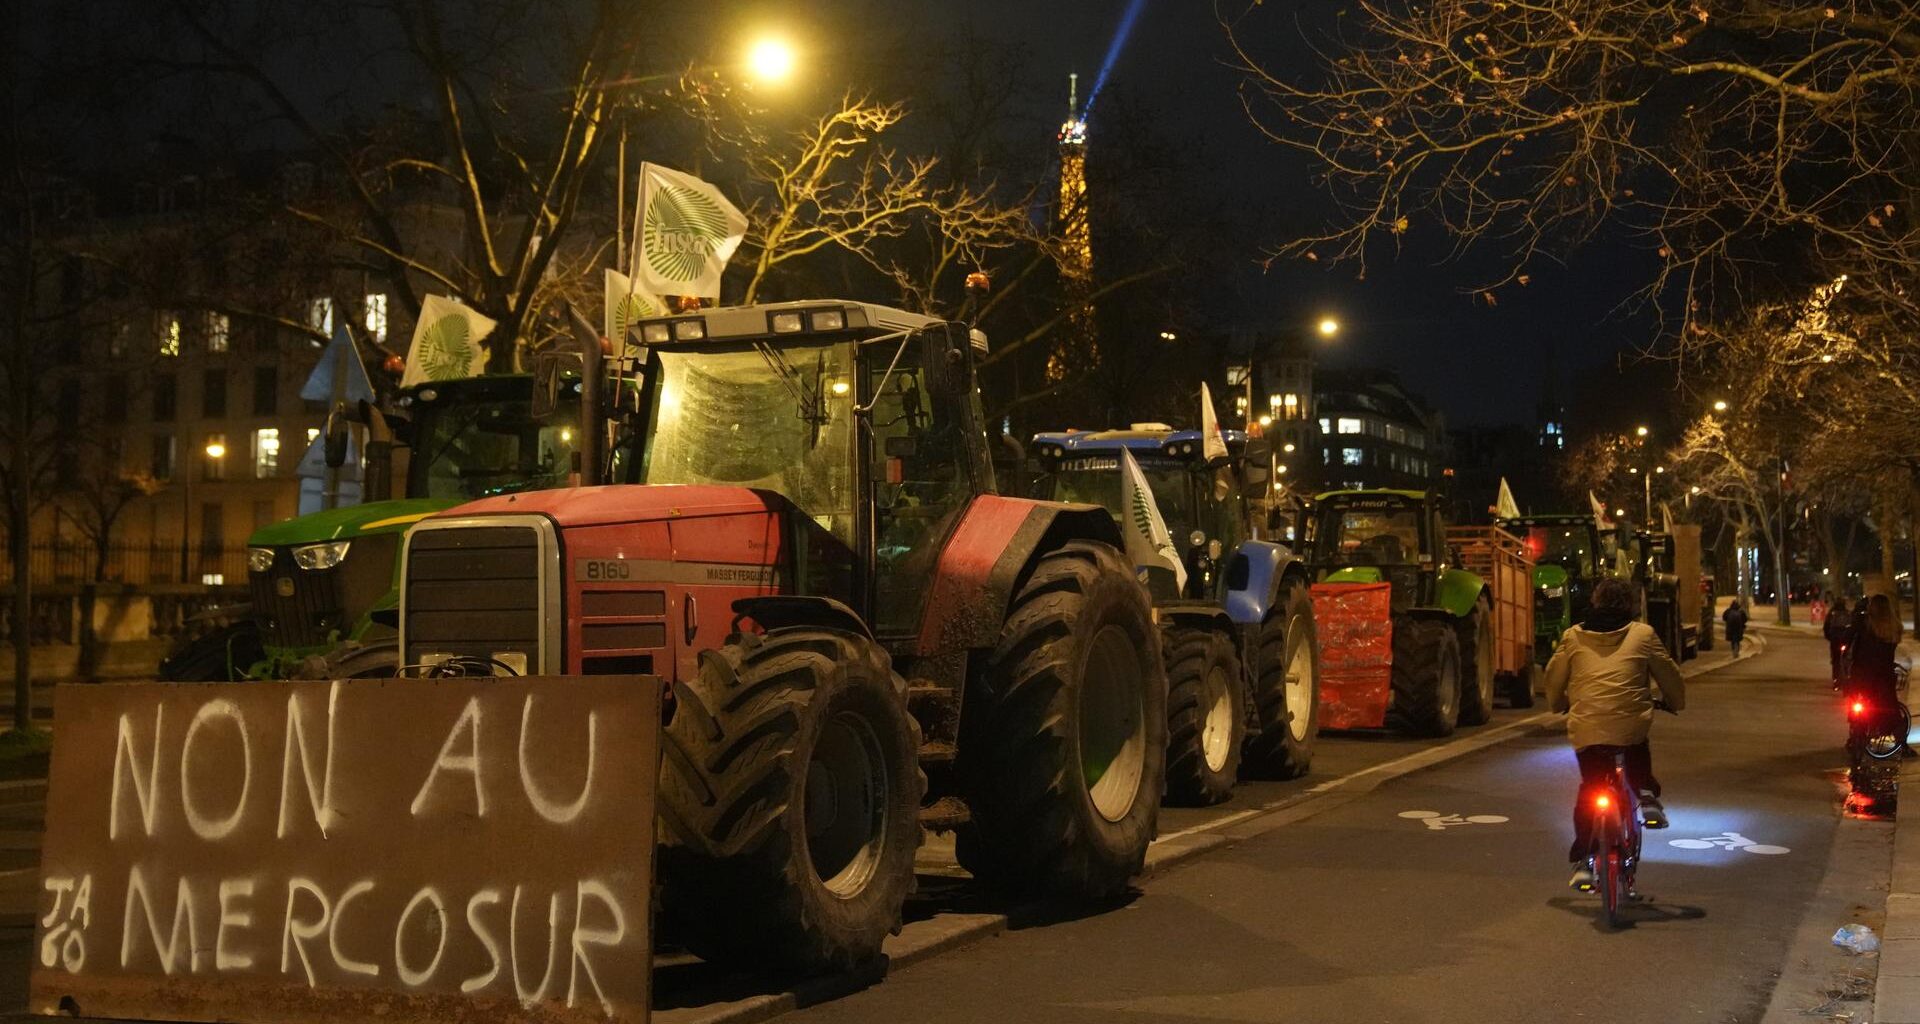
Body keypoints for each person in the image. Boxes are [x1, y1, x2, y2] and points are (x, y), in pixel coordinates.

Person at [1546, 577, 1687, 891]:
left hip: (1587, 728)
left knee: (1590, 788)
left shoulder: (1573, 637)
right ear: (1631, 605)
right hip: (1629, 725)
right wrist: (1676, 702)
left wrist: (1559, 704)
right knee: (1634, 741)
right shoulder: (1643, 634)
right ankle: (1646, 794)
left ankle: (1584, 860)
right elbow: (1668, 674)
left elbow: (1553, 681)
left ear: (1595, 602)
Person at [1848, 594, 1903, 714]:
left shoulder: (1864, 623)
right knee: (1887, 701)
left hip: (1862, 670)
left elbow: (1849, 637)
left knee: (1855, 696)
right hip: (1884, 672)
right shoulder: (1894, 627)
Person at [1824, 592, 1854, 690]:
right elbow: (1852, 627)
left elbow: (1826, 627)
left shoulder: (1832, 613)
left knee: (1836, 660)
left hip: (1835, 640)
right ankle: (1847, 678)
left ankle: (1836, 679)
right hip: (1845, 639)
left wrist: (1829, 637)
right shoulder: (1848, 613)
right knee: (1847, 658)